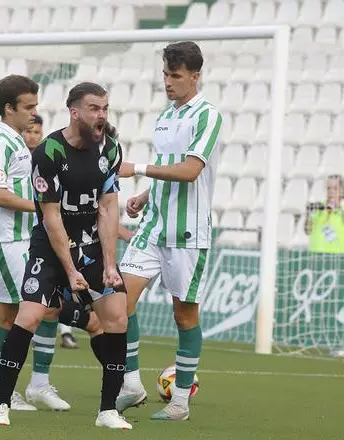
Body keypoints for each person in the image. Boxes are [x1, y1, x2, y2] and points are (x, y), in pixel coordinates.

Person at [0, 82, 131, 429]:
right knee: (30, 316)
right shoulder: (49, 151)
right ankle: (1, 403)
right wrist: (69, 271)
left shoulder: (110, 150)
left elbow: (109, 208)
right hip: (51, 247)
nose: (101, 116)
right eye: (95, 108)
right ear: (75, 112)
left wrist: (110, 264)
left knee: (117, 317)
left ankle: (108, 410)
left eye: (105, 109)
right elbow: (50, 217)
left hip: (92, 245)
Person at [116, 41, 223, 421]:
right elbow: (168, 166)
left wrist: (138, 170)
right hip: (154, 225)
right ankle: (130, 384)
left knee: (184, 316)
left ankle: (180, 402)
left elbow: (191, 170)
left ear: (195, 76)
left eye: (175, 76)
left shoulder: (208, 116)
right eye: (165, 74)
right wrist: (146, 195)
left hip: (187, 233)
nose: (168, 82)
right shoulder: (165, 114)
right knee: (118, 302)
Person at [0, 75, 70, 412]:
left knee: (48, 308)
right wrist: (42, 206)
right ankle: (3, 390)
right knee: (12, 316)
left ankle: (38, 385)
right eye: (28, 107)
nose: (34, 113)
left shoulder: (18, 141)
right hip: (6, 241)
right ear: (9, 108)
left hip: (26, 240)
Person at [23, 114, 79, 349]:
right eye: (29, 131)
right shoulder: (18, 156)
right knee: (28, 292)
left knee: (60, 288)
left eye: (37, 132)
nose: (33, 136)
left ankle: (66, 331)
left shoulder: (49, 157)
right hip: (23, 231)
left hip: (48, 230)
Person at [305, 175, 344, 254]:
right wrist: (309, 213)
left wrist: (339, 207)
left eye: (335, 188)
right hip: (317, 254)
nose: (331, 191)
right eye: (329, 188)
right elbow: (308, 230)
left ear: (341, 190)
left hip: (340, 256)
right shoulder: (320, 206)